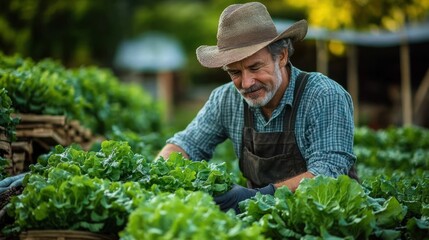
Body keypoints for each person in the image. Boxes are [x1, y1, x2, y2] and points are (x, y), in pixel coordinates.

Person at [157, 2, 357, 213]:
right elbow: (185, 145)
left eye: (255, 67)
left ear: (281, 56)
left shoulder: (323, 95)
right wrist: (158, 177)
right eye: (235, 72)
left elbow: (328, 173)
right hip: (260, 219)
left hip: (327, 219)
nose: (246, 83)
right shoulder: (226, 99)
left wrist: (257, 197)